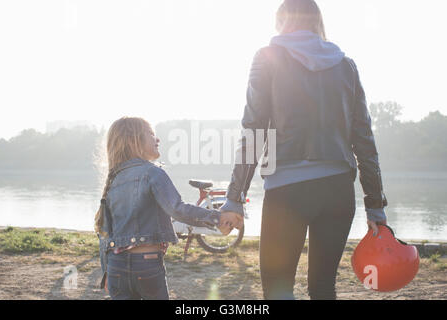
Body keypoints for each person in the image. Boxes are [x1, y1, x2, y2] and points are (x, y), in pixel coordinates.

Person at [220, 0, 388, 300]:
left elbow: (254, 129)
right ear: (317, 22)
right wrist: (375, 204)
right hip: (337, 191)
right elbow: (364, 138)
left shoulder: (267, 57)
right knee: (323, 288)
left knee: (278, 289)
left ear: (281, 21)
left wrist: (234, 198)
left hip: (287, 190)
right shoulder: (346, 65)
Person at [95, 117, 238, 300]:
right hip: (146, 265)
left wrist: (106, 270)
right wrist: (217, 218)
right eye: (151, 134)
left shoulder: (112, 180)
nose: (158, 139)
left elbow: (103, 232)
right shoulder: (152, 173)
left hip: (116, 268)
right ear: (135, 140)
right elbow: (177, 209)